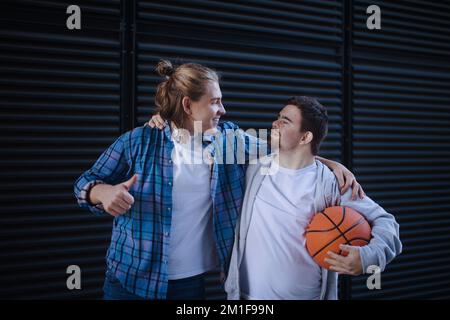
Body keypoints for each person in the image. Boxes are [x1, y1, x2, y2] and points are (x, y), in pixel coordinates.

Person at [74, 60, 363, 300]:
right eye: (215, 102)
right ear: (188, 105)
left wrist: (329, 162)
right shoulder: (139, 141)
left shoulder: (229, 142)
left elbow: (288, 148)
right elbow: (85, 183)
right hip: (128, 281)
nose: (223, 110)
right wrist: (102, 192)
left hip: (188, 285)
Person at [224, 96, 402, 300]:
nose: (275, 123)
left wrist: (368, 257)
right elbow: (211, 138)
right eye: (278, 117)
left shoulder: (332, 184)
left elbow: (387, 223)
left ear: (305, 138)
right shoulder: (253, 168)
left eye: (285, 120)